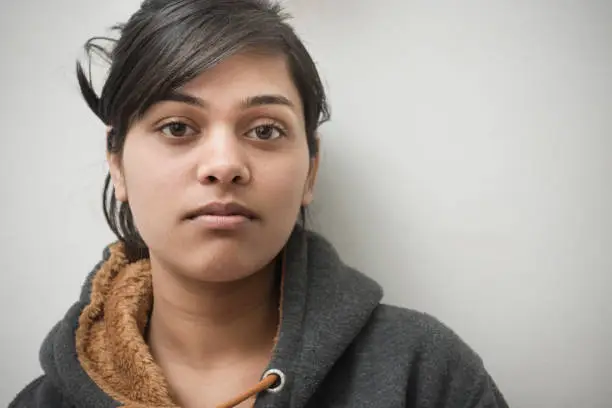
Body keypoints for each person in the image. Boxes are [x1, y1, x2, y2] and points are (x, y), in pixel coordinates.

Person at [9, 1, 509, 407]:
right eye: (177, 127)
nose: (224, 165)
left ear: (310, 169)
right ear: (116, 163)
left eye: (265, 130)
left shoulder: (425, 375)